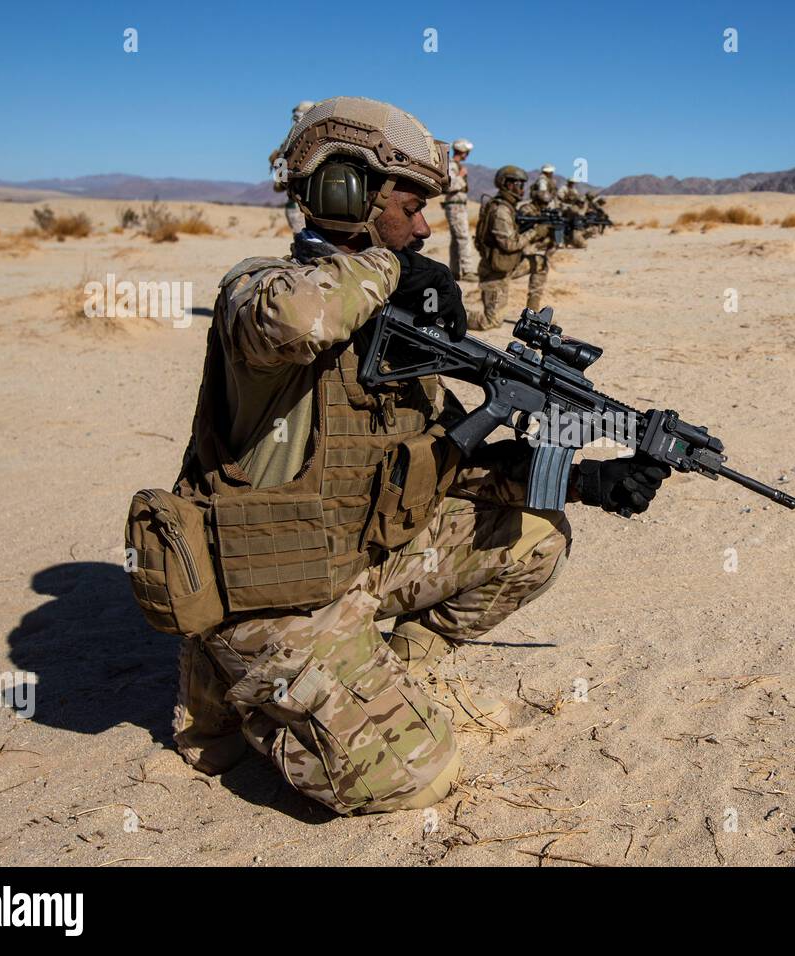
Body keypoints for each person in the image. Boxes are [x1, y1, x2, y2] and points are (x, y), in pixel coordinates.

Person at [162, 96, 670, 815]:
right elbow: (302, 318)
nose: (426, 225)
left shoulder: (396, 327)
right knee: (417, 778)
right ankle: (238, 697)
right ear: (348, 190)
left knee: (536, 536)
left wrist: (589, 479)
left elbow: (452, 465)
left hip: (359, 558)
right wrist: (388, 270)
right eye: (413, 203)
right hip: (271, 591)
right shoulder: (258, 292)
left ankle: (389, 672)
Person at [473, 165, 551, 330]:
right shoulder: (501, 210)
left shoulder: (509, 207)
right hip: (495, 274)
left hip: (510, 266)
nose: (520, 188)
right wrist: (535, 232)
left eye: (522, 184)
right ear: (504, 184)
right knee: (491, 322)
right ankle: (448, 315)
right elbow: (510, 244)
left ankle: (533, 315)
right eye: (515, 184)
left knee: (541, 263)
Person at [268, 100, 316, 232]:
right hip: (314, 207)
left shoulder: (289, 142)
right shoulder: (323, 139)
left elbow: (279, 183)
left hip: (297, 206)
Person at [443, 138, 478, 280]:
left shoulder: (456, 165)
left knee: (456, 239)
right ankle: (467, 270)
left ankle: (455, 270)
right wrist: (461, 176)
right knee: (463, 237)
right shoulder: (451, 166)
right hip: (455, 205)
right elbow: (449, 186)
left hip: (459, 205)